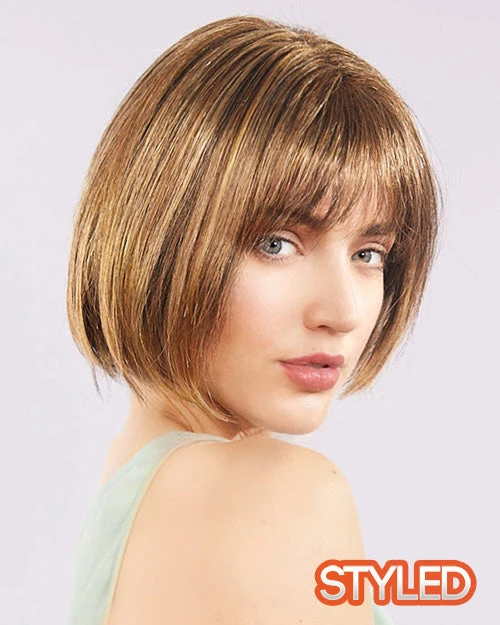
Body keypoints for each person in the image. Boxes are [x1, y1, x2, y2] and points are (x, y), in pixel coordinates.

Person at [66, 15, 439, 625]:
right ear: (160, 240)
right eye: (276, 244)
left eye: (369, 254)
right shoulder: (276, 495)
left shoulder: (135, 492)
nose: (343, 312)